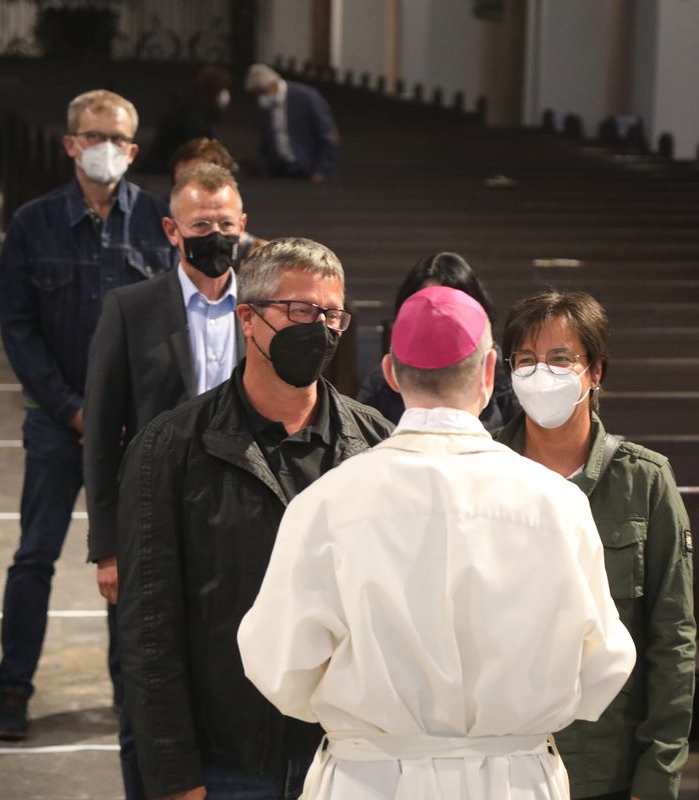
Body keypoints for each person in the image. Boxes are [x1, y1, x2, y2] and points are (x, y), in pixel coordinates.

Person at [237, 285, 637, 800]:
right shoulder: (555, 503)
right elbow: (605, 664)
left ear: (390, 374)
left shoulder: (327, 504)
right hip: (513, 778)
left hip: (370, 778)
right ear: (492, 373)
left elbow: (279, 665)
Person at [116, 237, 393, 800]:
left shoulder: (377, 446)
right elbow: (149, 629)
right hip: (226, 762)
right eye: (299, 311)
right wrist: (174, 775)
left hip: (349, 758)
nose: (319, 327)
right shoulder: (168, 449)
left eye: (331, 314)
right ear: (247, 318)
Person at [0, 89, 177, 744]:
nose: (109, 150)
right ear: (71, 143)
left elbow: (173, 326)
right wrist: (72, 411)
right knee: (34, 556)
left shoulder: (160, 223)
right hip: (55, 422)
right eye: (95, 137)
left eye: (121, 140)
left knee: (127, 564)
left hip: (133, 434)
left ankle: (130, 700)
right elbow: (18, 330)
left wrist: (137, 415)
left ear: (133, 149)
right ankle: (13, 687)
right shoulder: (33, 224)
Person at [82, 162, 248, 798]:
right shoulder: (130, 309)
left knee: (223, 683)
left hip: (236, 525)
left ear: (244, 227)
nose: (214, 234)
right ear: (172, 230)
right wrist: (107, 545)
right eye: (201, 224)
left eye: (225, 224)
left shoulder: (261, 312)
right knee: (144, 694)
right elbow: (101, 435)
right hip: (150, 527)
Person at [494, 290, 696, 800]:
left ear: (596, 371)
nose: (543, 374)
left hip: (608, 765)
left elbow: (672, 638)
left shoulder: (644, 480)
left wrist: (659, 773)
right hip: (497, 762)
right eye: (527, 361)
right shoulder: (482, 474)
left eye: (561, 359)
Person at [355, 251, 519, 429]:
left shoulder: (506, 377)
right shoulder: (380, 383)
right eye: (424, 306)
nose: (436, 318)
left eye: (452, 307)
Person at [244, 63, 338, 182]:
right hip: (279, 171)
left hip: (307, 170)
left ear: (272, 85)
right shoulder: (265, 106)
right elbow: (266, 141)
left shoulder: (307, 97)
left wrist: (321, 171)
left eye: (261, 91)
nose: (260, 97)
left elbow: (327, 137)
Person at [169, 138, 267, 251]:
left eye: (204, 179)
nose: (193, 189)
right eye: (182, 183)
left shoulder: (258, 256)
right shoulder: (163, 240)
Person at [138, 65, 233, 175]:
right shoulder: (191, 114)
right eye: (222, 89)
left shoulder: (194, 110)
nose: (225, 95)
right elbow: (200, 148)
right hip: (164, 174)